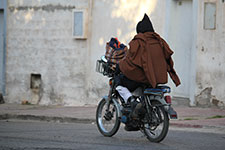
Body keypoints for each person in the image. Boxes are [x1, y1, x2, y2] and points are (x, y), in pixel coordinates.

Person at [114, 14, 181, 130]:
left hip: (142, 77)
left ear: (139, 31)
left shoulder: (138, 42)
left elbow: (130, 61)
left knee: (118, 82)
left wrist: (119, 66)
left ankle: (131, 101)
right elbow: (168, 59)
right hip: (156, 78)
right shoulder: (160, 41)